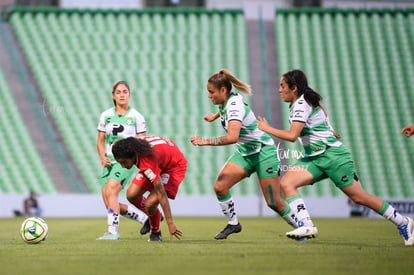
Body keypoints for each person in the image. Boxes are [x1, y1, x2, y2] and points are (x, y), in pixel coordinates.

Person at [257, 69, 414, 245]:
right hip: (315, 158)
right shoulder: (306, 101)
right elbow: (323, 115)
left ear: (293, 88)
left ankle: (403, 222)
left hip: (333, 156)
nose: (279, 90)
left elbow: (293, 136)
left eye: (282, 86)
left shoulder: (302, 104)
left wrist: (267, 128)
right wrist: (329, 130)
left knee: (360, 198)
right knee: (287, 183)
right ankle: (306, 224)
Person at [190, 69, 297, 240]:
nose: (209, 96)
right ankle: (234, 224)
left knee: (274, 203)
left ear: (223, 90)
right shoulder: (228, 100)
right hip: (246, 152)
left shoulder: (234, 106)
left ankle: (302, 227)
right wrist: (215, 116)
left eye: (211, 92)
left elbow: (232, 137)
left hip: (264, 152)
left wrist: (206, 141)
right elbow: (226, 109)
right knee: (220, 186)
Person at [97, 80, 151, 240]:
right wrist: (102, 157)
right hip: (108, 161)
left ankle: (113, 232)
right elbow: (100, 140)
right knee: (109, 203)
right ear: (113, 95)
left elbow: (142, 142)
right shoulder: (106, 115)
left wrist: (133, 158)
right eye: (118, 92)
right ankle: (145, 218)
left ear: (129, 95)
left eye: (125, 92)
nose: (122, 95)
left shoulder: (136, 117)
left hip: (125, 162)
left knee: (112, 190)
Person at [112, 136, 187, 241]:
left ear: (133, 156)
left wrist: (170, 223)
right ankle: (155, 215)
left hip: (173, 167)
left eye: (124, 162)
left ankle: (155, 232)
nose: (123, 166)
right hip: (159, 160)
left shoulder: (147, 162)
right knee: (131, 195)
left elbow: (161, 192)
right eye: (120, 162)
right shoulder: (132, 145)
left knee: (150, 204)